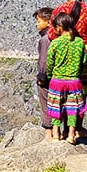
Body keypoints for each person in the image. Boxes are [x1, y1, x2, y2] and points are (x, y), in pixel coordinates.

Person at [49, 0, 87, 139]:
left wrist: (63, 45)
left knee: (59, 94)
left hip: (62, 57)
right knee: (78, 94)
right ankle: (75, 129)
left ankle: (60, 130)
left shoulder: (59, 10)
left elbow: (51, 33)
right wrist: (86, 46)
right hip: (82, 57)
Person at [46, 12, 87, 144]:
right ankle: (71, 134)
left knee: (56, 107)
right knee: (72, 109)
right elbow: (84, 61)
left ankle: (56, 134)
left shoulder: (55, 43)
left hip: (57, 81)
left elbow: (50, 62)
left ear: (59, 27)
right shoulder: (80, 43)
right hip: (74, 81)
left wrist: (49, 76)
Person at [32, 7, 55, 140]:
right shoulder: (57, 37)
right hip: (58, 78)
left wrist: (41, 77)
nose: (37, 24)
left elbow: (43, 61)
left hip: (47, 78)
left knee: (46, 102)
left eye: (39, 21)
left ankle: (48, 133)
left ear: (48, 22)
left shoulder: (45, 40)